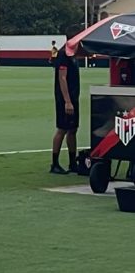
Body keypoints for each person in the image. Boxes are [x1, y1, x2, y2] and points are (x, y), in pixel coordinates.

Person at [51, 25, 83, 174]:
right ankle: (55, 163)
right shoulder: (64, 54)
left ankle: (72, 162)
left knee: (73, 129)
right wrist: (67, 101)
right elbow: (62, 78)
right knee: (62, 129)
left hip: (73, 97)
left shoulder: (72, 54)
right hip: (65, 99)